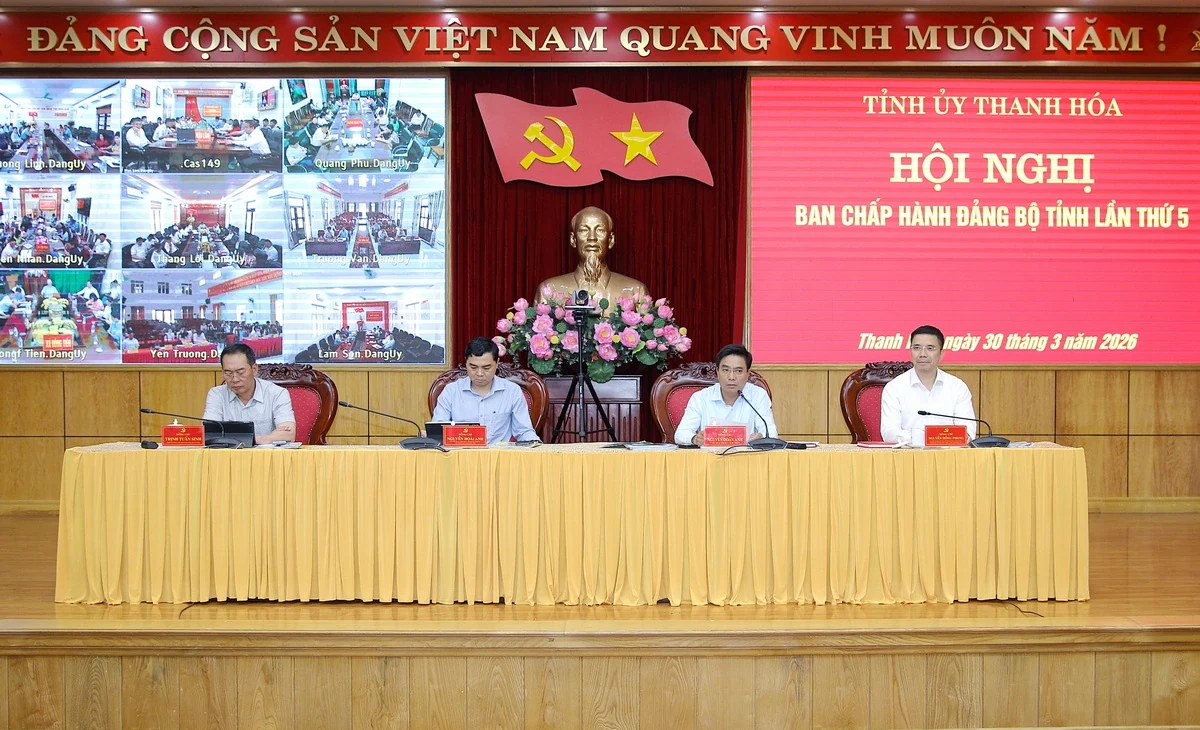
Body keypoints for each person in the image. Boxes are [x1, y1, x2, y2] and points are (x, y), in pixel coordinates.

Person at [535, 206, 648, 314]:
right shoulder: (549, 290)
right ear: (573, 239)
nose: (592, 238)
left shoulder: (636, 291)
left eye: (600, 230)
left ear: (610, 240)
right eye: (584, 230)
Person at [879, 325, 977, 446]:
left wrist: (933, 438)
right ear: (910, 351)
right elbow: (889, 433)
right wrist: (926, 437)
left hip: (948, 454)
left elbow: (967, 432)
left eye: (930, 348)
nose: (922, 354)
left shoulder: (957, 387)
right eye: (917, 348)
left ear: (941, 353)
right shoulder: (894, 388)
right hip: (908, 454)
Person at [431, 337, 540, 445]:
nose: (479, 373)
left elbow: (524, 431)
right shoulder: (451, 391)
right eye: (473, 367)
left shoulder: (512, 391)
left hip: (498, 454)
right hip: (460, 454)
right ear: (466, 362)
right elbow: (438, 432)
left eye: (486, 368)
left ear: (497, 363)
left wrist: (535, 444)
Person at [674, 344, 778, 446]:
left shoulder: (759, 396)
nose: (731, 377)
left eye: (738, 371)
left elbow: (771, 433)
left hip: (746, 456)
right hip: (710, 456)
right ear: (717, 371)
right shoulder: (700, 398)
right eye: (725, 370)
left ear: (748, 373)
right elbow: (680, 434)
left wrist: (761, 437)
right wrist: (695, 439)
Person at [202, 343, 296, 445]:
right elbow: (209, 434)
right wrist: (267, 438)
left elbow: (288, 434)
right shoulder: (217, 395)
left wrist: (249, 440)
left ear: (254, 369)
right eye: (228, 373)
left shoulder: (277, 394)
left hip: (267, 454)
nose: (235, 379)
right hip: (229, 454)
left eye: (240, 372)